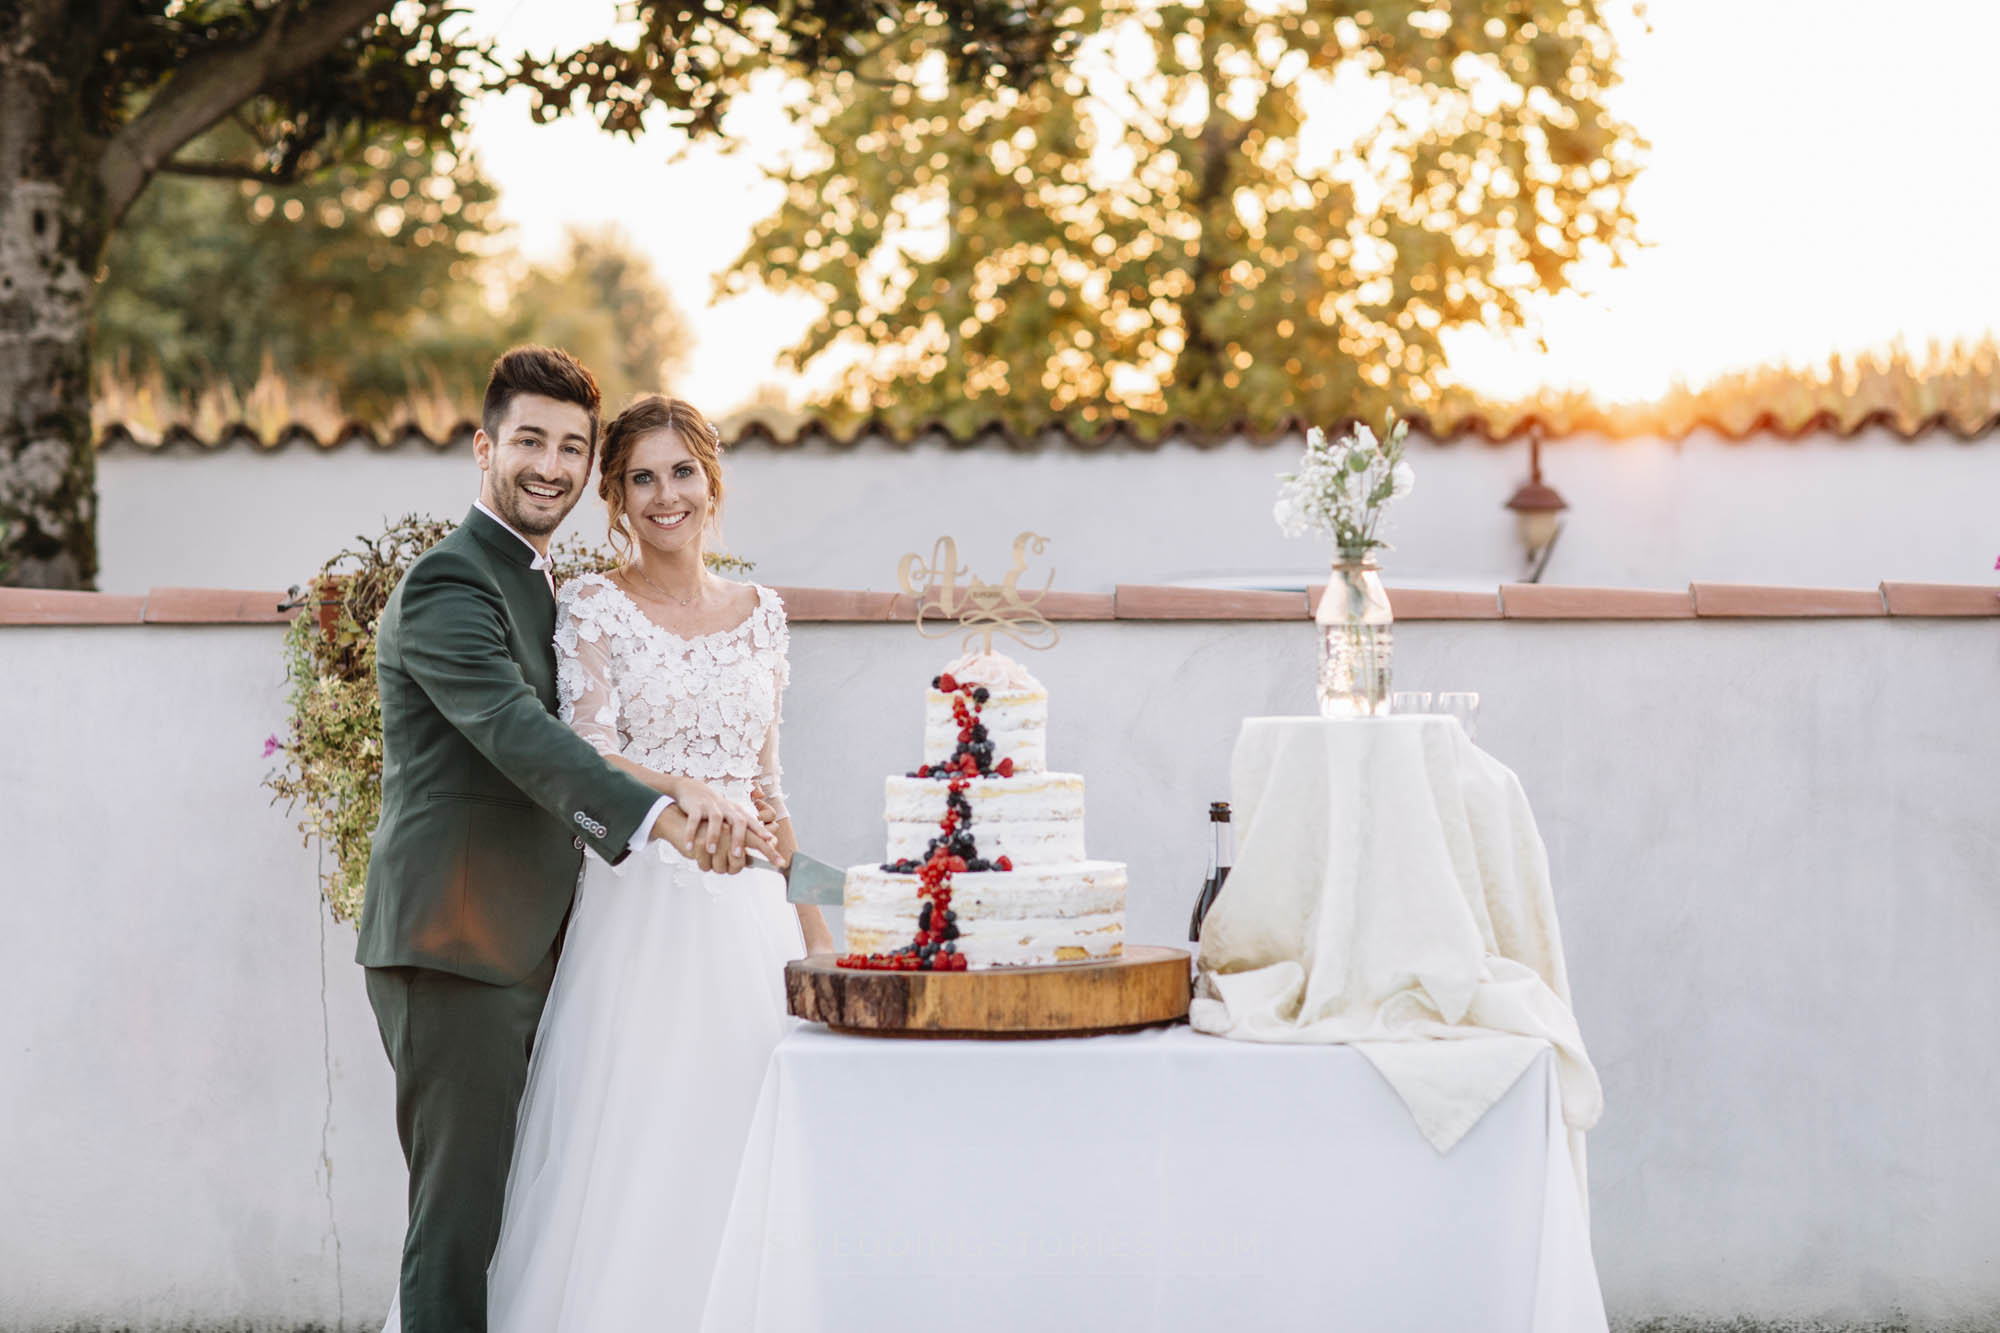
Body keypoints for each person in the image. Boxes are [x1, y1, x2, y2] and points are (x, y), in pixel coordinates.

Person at [357, 348, 777, 1333]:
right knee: (457, 1224)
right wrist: (666, 805)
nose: (551, 465)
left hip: (532, 937)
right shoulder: (450, 585)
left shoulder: (538, 585)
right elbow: (521, 736)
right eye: (530, 441)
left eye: (571, 448)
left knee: (514, 1216)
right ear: (484, 448)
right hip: (456, 942)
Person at [483, 392, 834, 1331]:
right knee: (641, 1147)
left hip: (752, 919)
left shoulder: (764, 614)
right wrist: (684, 787)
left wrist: (818, 935)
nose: (664, 494)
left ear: (711, 482)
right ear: (616, 498)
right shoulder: (593, 604)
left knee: (750, 1143)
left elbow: (771, 787)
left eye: (681, 471)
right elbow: (583, 747)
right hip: (641, 912)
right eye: (641, 477)